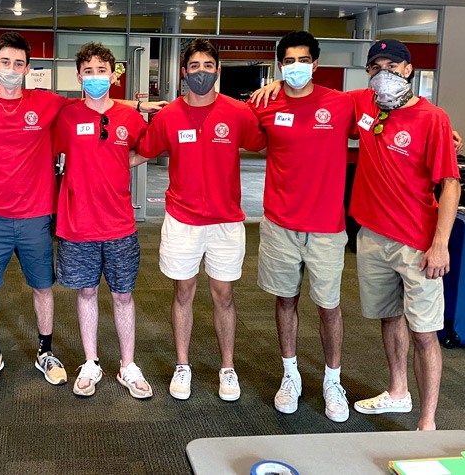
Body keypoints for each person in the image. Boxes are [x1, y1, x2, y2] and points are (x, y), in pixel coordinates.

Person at [0, 32, 165, 390]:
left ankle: (57, 353)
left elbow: (118, 119)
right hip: (1, 217)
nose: (11, 69)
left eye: (18, 63)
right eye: (5, 62)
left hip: (50, 217)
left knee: (55, 289)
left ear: (28, 68)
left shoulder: (54, 105)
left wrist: (140, 109)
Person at [133, 38, 266, 402]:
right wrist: (93, 163)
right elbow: (140, 153)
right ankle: (182, 365)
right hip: (182, 220)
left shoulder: (237, 112)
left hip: (226, 221)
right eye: (195, 66)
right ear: (184, 72)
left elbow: (267, 141)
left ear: (218, 71)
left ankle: (227, 367)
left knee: (223, 294)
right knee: (183, 291)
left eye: (209, 66)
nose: (202, 72)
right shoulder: (169, 116)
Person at [348, 39, 460, 431]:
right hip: (372, 236)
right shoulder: (363, 104)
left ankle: (427, 422)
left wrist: (440, 244)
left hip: (417, 242)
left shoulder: (433, 119)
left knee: (425, 333)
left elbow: (451, 185)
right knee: (389, 317)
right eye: (376, 67)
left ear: (409, 70)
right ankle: (397, 391)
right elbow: (316, 101)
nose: (384, 74)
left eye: (392, 66)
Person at [249, 31, 355, 422]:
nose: (296, 67)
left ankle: (332, 380)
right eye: (288, 61)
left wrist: (446, 133)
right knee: (286, 300)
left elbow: (391, 114)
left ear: (316, 63)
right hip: (280, 224)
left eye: (303, 60)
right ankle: (290, 374)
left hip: (327, 226)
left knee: (329, 306)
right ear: (280, 65)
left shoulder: (341, 103)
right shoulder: (265, 103)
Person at [52, 43, 151, 399]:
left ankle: (127, 365)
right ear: (78, 76)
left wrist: (124, 162)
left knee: (123, 295)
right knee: (87, 291)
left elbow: (147, 148)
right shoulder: (65, 115)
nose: (95, 77)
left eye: (102, 70)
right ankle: (91, 362)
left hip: (120, 222)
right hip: (78, 222)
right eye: (88, 71)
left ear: (114, 75)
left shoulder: (129, 117)